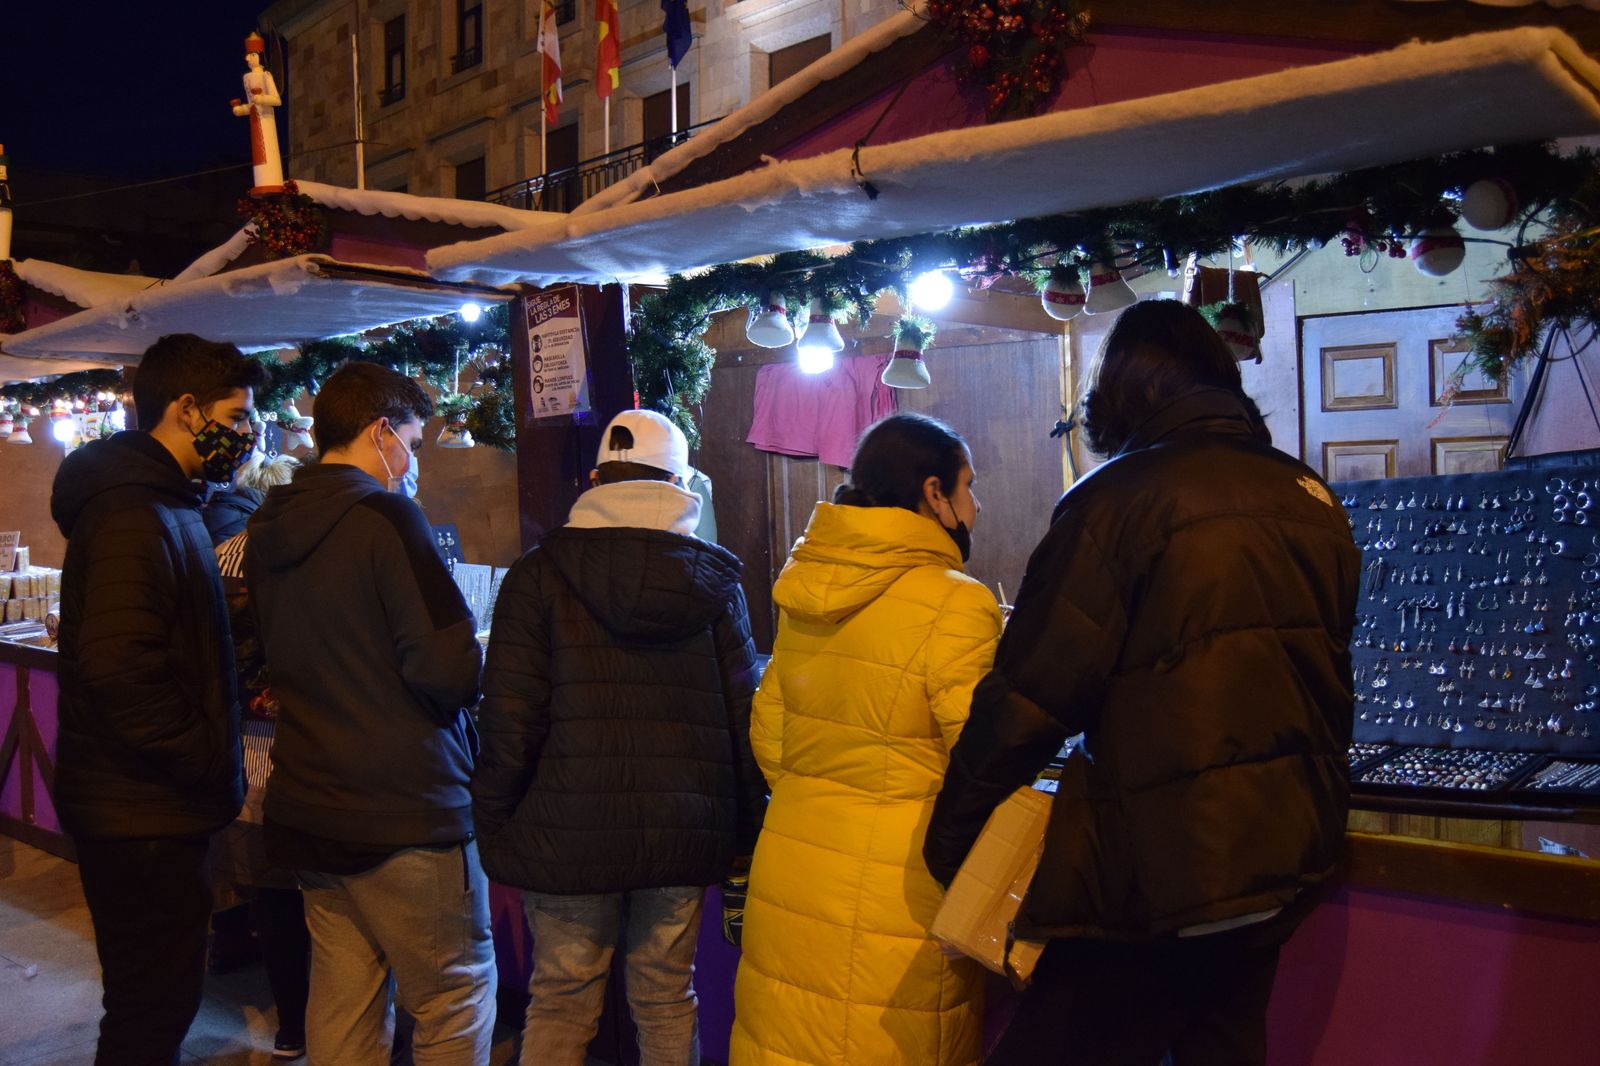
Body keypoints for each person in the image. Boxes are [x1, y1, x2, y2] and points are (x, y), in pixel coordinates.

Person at [924, 299, 1361, 1066]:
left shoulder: (1117, 501)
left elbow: (1032, 696)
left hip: (1160, 866)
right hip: (1283, 857)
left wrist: (953, 834)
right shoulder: (1311, 499)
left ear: (1121, 392)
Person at [473, 409, 764, 1066]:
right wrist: (746, 833)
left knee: (562, 998)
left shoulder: (538, 575)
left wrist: (495, 822)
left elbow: (508, 720)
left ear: (597, 477)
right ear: (680, 481)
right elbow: (746, 720)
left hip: (566, 828)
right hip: (685, 828)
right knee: (665, 996)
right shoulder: (715, 584)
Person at [729, 412, 1003, 1066]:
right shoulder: (959, 604)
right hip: (899, 895)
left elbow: (770, 733)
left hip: (792, 868)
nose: (976, 503)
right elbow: (984, 763)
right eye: (967, 486)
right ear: (933, 494)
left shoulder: (806, 591)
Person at [246, 363, 494, 1064]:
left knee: (344, 996)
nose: (412, 462)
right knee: (453, 996)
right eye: (411, 441)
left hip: (309, 804)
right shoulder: (387, 516)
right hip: (405, 809)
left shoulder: (270, 526)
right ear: (381, 431)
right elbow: (445, 669)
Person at [50, 332, 268, 1066]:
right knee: (150, 1008)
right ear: (184, 409)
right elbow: (120, 669)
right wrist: (203, 758)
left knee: (159, 1002)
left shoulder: (165, 503)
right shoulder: (131, 515)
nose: (247, 435)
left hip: (147, 805)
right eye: (237, 417)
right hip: (140, 811)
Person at [210, 454, 310, 1060]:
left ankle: (291, 1025)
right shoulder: (305, 557)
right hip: (307, 747)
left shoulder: (219, 559)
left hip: (247, 752)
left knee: (273, 895)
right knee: (321, 896)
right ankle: (333, 1018)